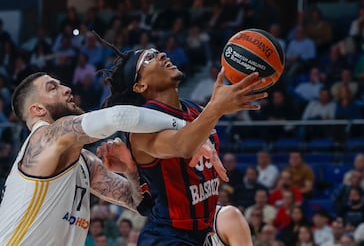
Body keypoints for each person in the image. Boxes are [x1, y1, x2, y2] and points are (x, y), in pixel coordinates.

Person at [0, 71, 219, 245]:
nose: (67, 89)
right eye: (53, 88)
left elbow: (140, 204)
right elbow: (116, 117)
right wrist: (189, 128)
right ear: (37, 109)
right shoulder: (44, 137)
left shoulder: (85, 162)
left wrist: (131, 173)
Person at [101, 44, 265, 245]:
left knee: (230, 217)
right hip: (168, 236)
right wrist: (217, 108)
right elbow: (183, 146)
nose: (161, 54)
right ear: (140, 85)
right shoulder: (140, 132)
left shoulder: (195, 110)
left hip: (203, 233)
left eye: (156, 51)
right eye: (149, 58)